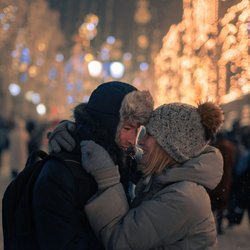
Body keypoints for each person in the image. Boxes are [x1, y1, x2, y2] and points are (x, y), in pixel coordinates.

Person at [80, 101, 224, 249]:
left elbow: (120, 241)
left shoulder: (182, 198)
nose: (140, 141)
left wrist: (107, 176)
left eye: (148, 134)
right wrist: (74, 131)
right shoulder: (168, 181)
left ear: (169, 146)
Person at [32, 81, 154, 250]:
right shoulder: (60, 173)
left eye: (137, 130)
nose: (133, 140)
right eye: (127, 128)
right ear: (106, 123)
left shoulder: (126, 161)